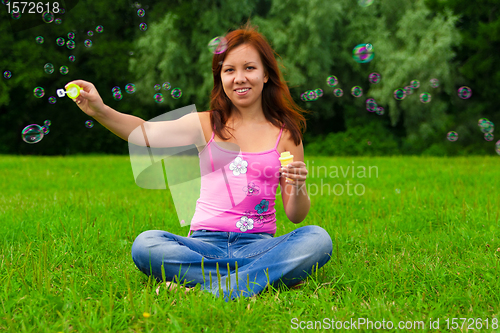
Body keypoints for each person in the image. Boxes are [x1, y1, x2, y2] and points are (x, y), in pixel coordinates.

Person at [67, 22, 332, 301]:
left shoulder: (287, 135)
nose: (239, 78)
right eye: (229, 70)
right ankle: (259, 279)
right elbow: (145, 134)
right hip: (203, 245)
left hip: (259, 246)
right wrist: (100, 110)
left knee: (317, 239)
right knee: (146, 244)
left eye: (249, 68)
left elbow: (295, 214)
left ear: (266, 74)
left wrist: (300, 185)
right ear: (221, 78)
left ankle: (206, 290)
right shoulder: (205, 124)